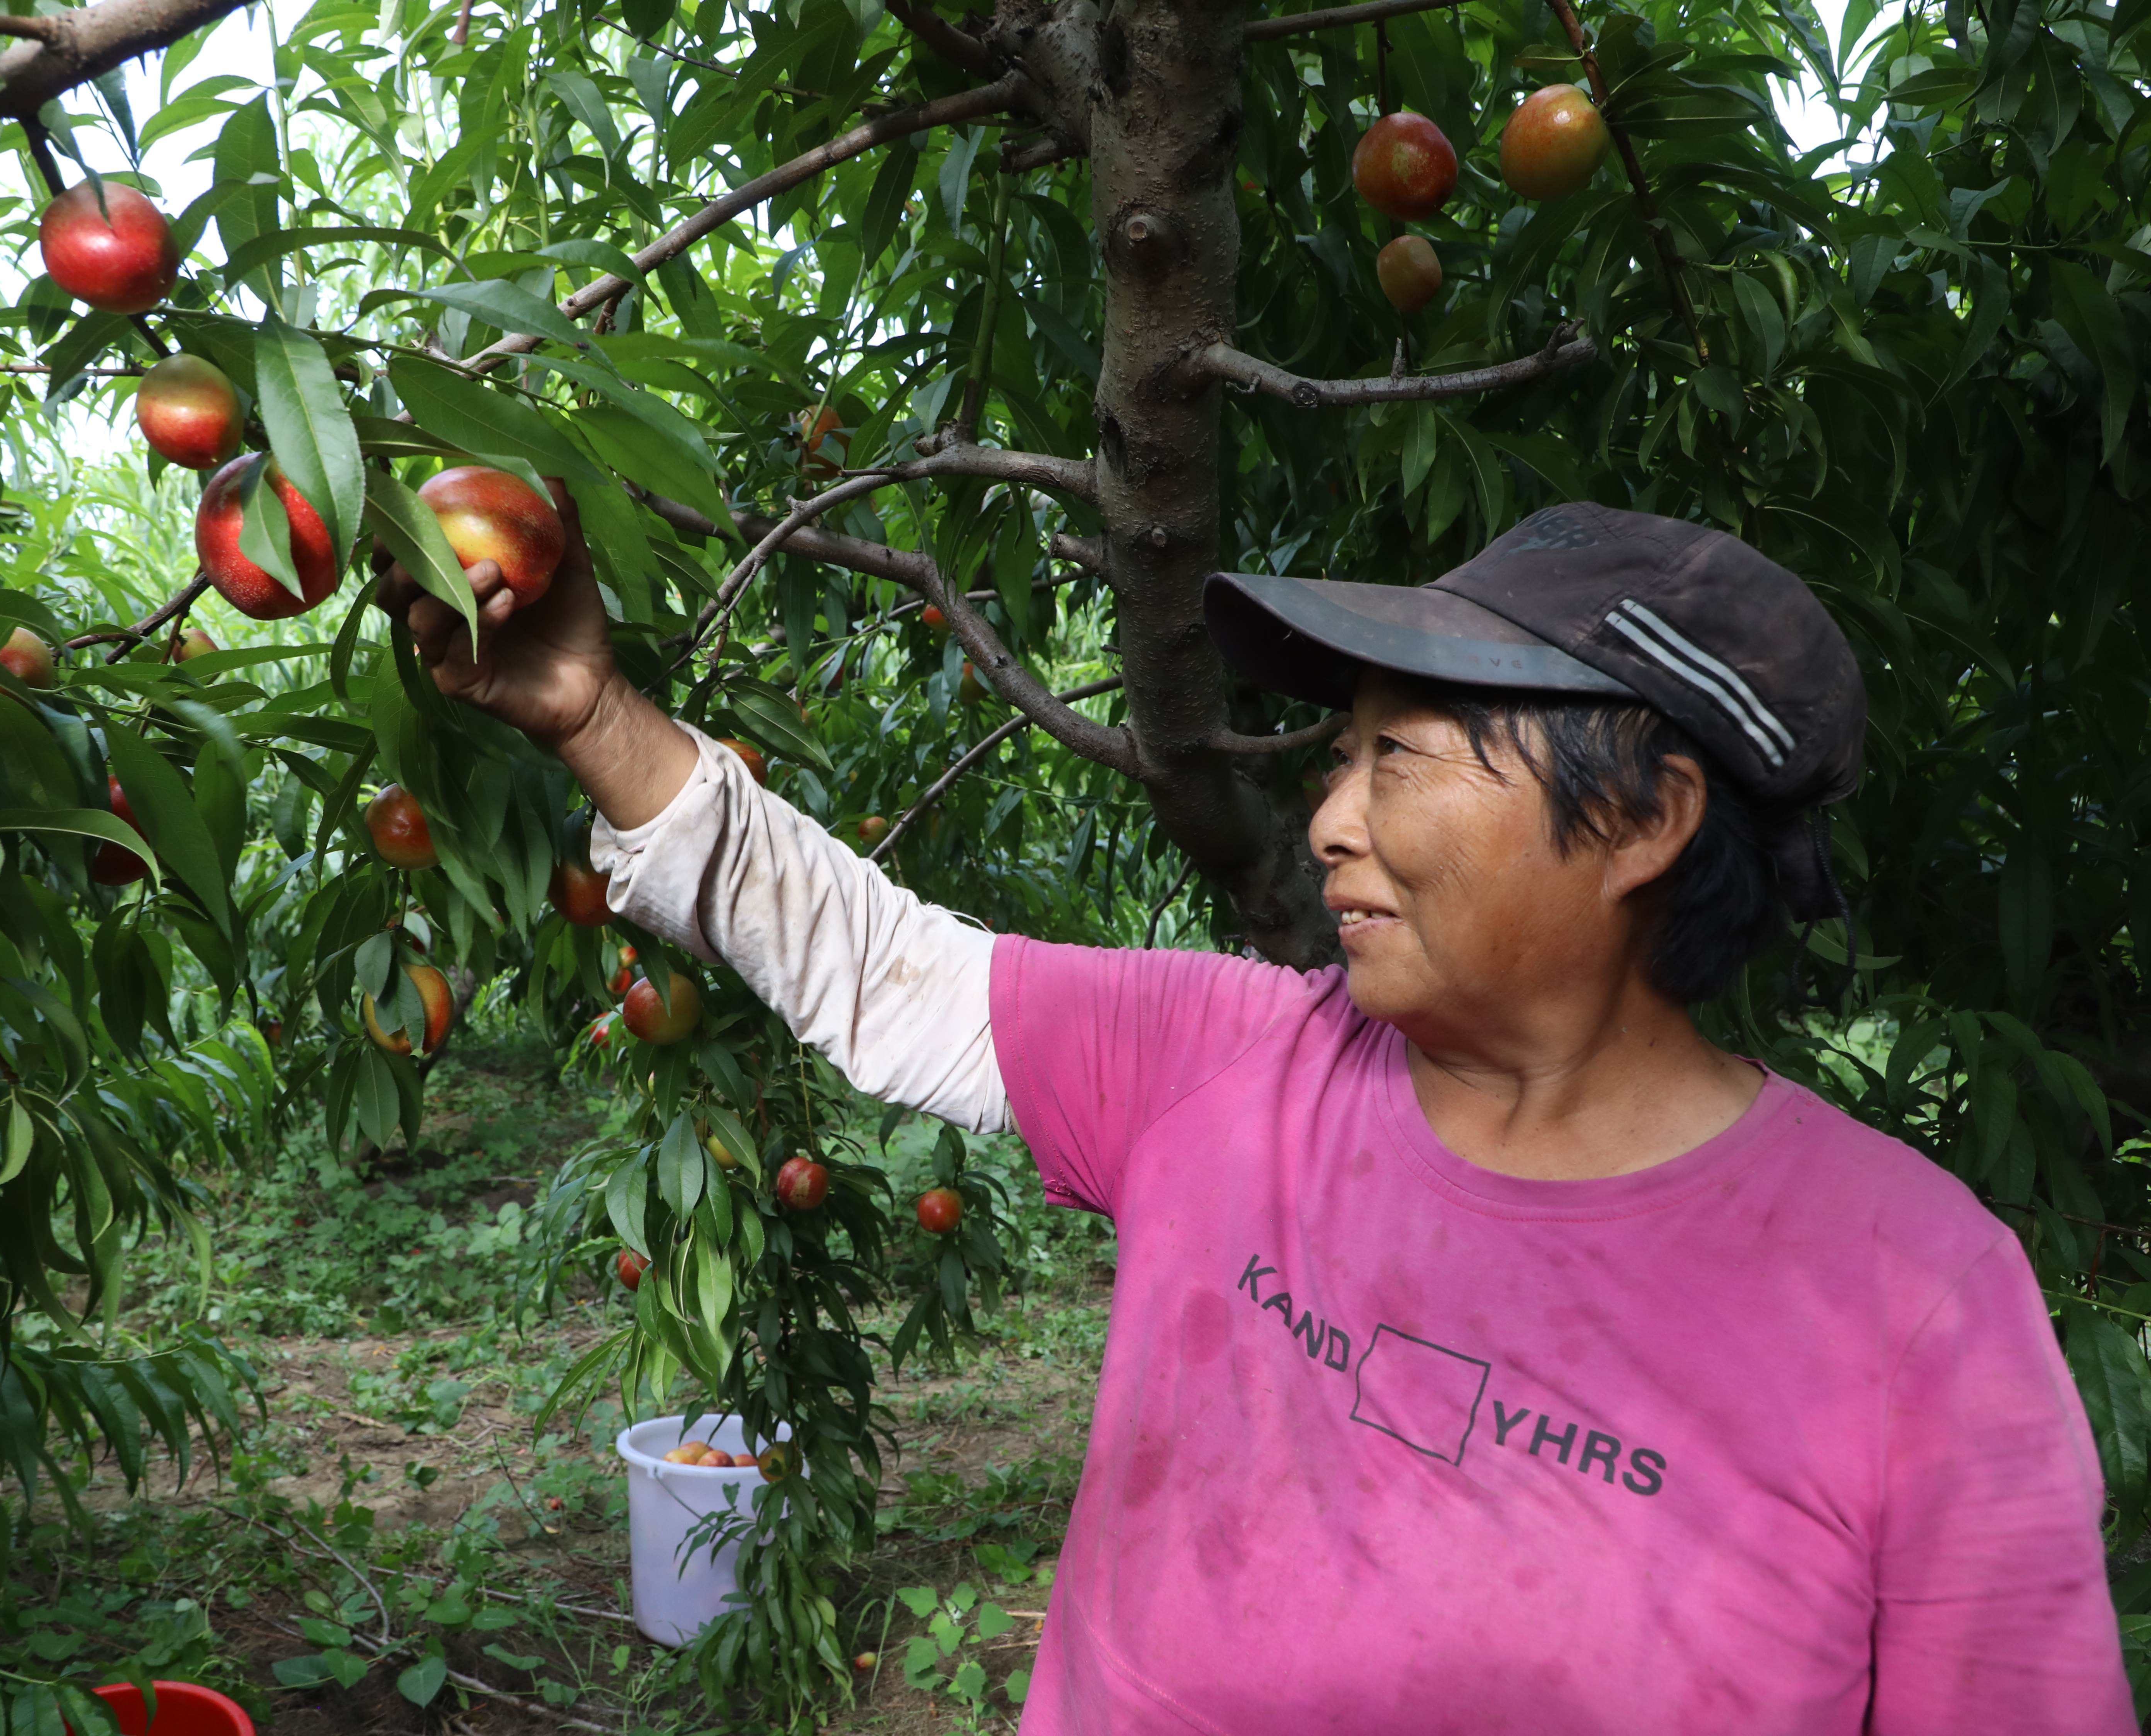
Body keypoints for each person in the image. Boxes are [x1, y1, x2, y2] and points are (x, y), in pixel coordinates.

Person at [388, 493, 2132, 1732]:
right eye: (1337, 757)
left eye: (1402, 756)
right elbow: (883, 969)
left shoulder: (1916, 1304)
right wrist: (596, 716)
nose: (1329, 823)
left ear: (1649, 818)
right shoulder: (1233, 1066)